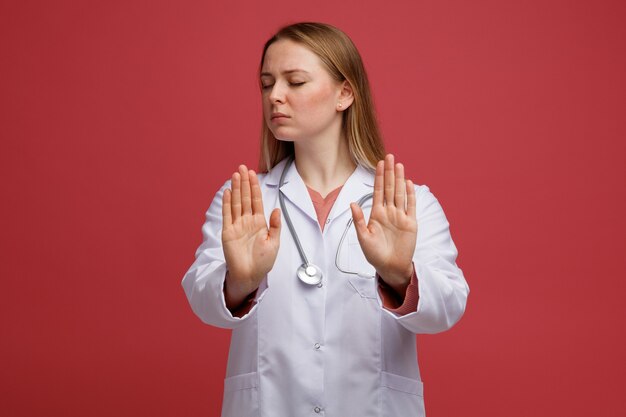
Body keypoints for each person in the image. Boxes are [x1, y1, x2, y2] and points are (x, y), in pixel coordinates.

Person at [181, 22, 469, 417]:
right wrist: (239, 283)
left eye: (295, 81)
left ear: (345, 93)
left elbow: (448, 308)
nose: (275, 97)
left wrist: (400, 274)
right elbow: (201, 298)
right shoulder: (245, 201)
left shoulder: (407, 202)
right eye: (267, 84)